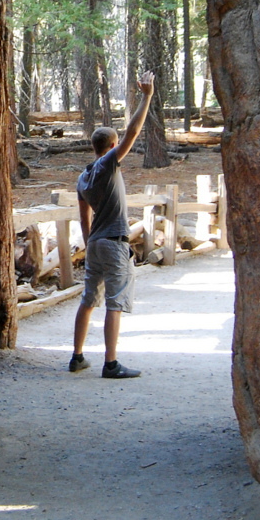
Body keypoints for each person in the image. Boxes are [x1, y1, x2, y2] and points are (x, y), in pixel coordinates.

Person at [69, 70, 154, 379]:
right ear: (113, 145)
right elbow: (133, 132)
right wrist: (146, 96)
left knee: (88, 299)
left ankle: (77, 356)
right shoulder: (108, 164)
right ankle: (111, 363)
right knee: (115, 302)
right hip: (114, 241)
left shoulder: (83, 178)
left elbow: (84, 218)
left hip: (94, 243)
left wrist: (90, 244)